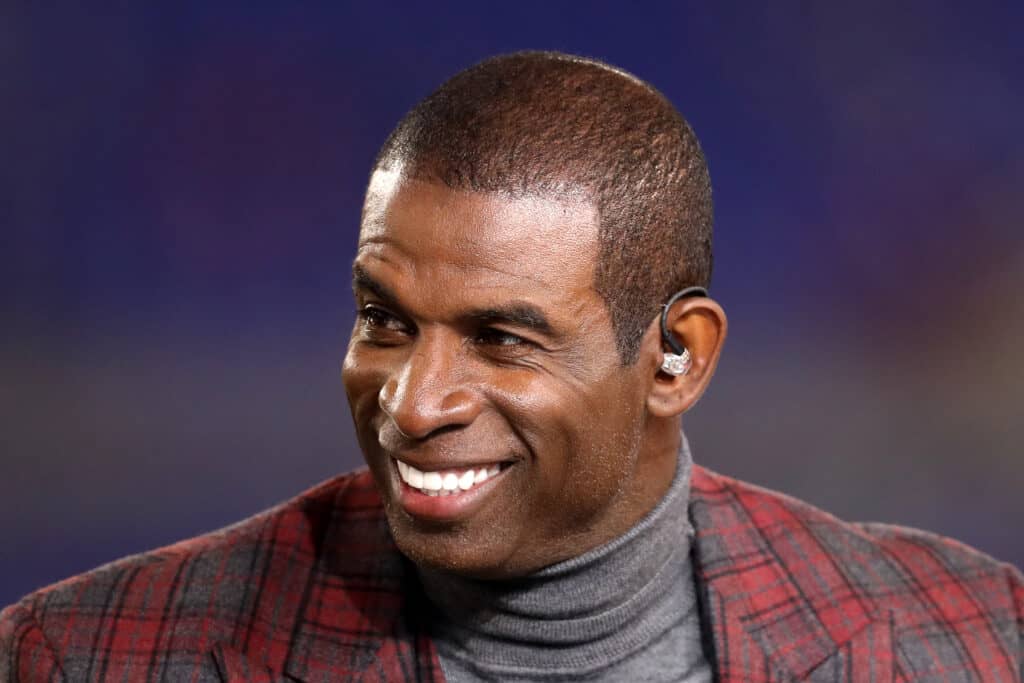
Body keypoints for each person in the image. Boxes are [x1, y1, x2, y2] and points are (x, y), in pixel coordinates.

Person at [1, 50, 1021, 683]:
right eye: (383, 318)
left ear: (678, 356)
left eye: (501, 338)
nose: (414, 401)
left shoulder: (976, 639)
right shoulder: (80, 655)